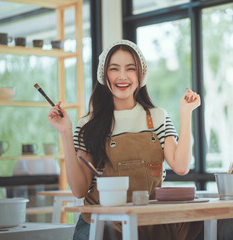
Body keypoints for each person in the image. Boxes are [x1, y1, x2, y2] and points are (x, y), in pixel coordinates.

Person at [48, 39, 202, 239]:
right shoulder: (88, 124)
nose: (122, 76)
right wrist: (66, 133)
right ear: (104, 76)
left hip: (149, 224)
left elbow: (181, 166)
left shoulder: (157, 117)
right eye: (114, 69)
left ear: (141, 75)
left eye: (130, 69)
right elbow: (79, 190)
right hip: (101, 228)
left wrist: (186, 112)